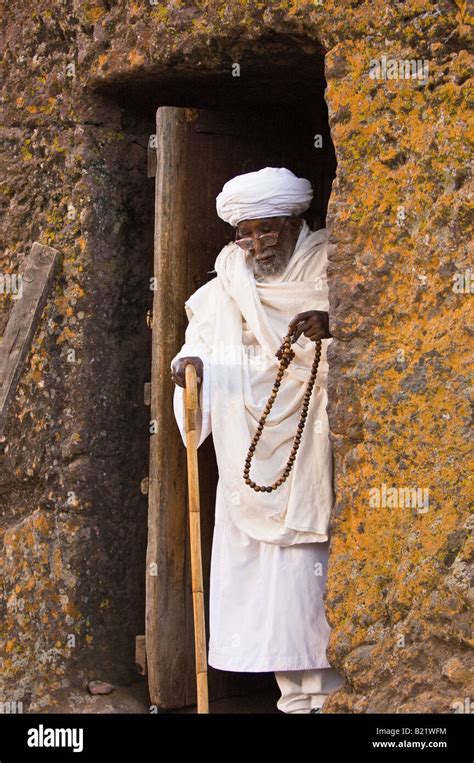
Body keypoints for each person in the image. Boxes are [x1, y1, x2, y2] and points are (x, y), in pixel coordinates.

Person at [170, 167, 343, 713]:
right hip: (248, 453)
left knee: (306, 575)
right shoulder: (228, 278)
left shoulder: (330, 264)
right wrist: (190, 366)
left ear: (295, 222)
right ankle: (290, 696)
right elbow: (198, 340)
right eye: (246, 233)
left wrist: (331, 324)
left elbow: (368, 319)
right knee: (264, 582)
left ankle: (328, 695)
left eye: (267, 230)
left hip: (308, 446)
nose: (256, 244)